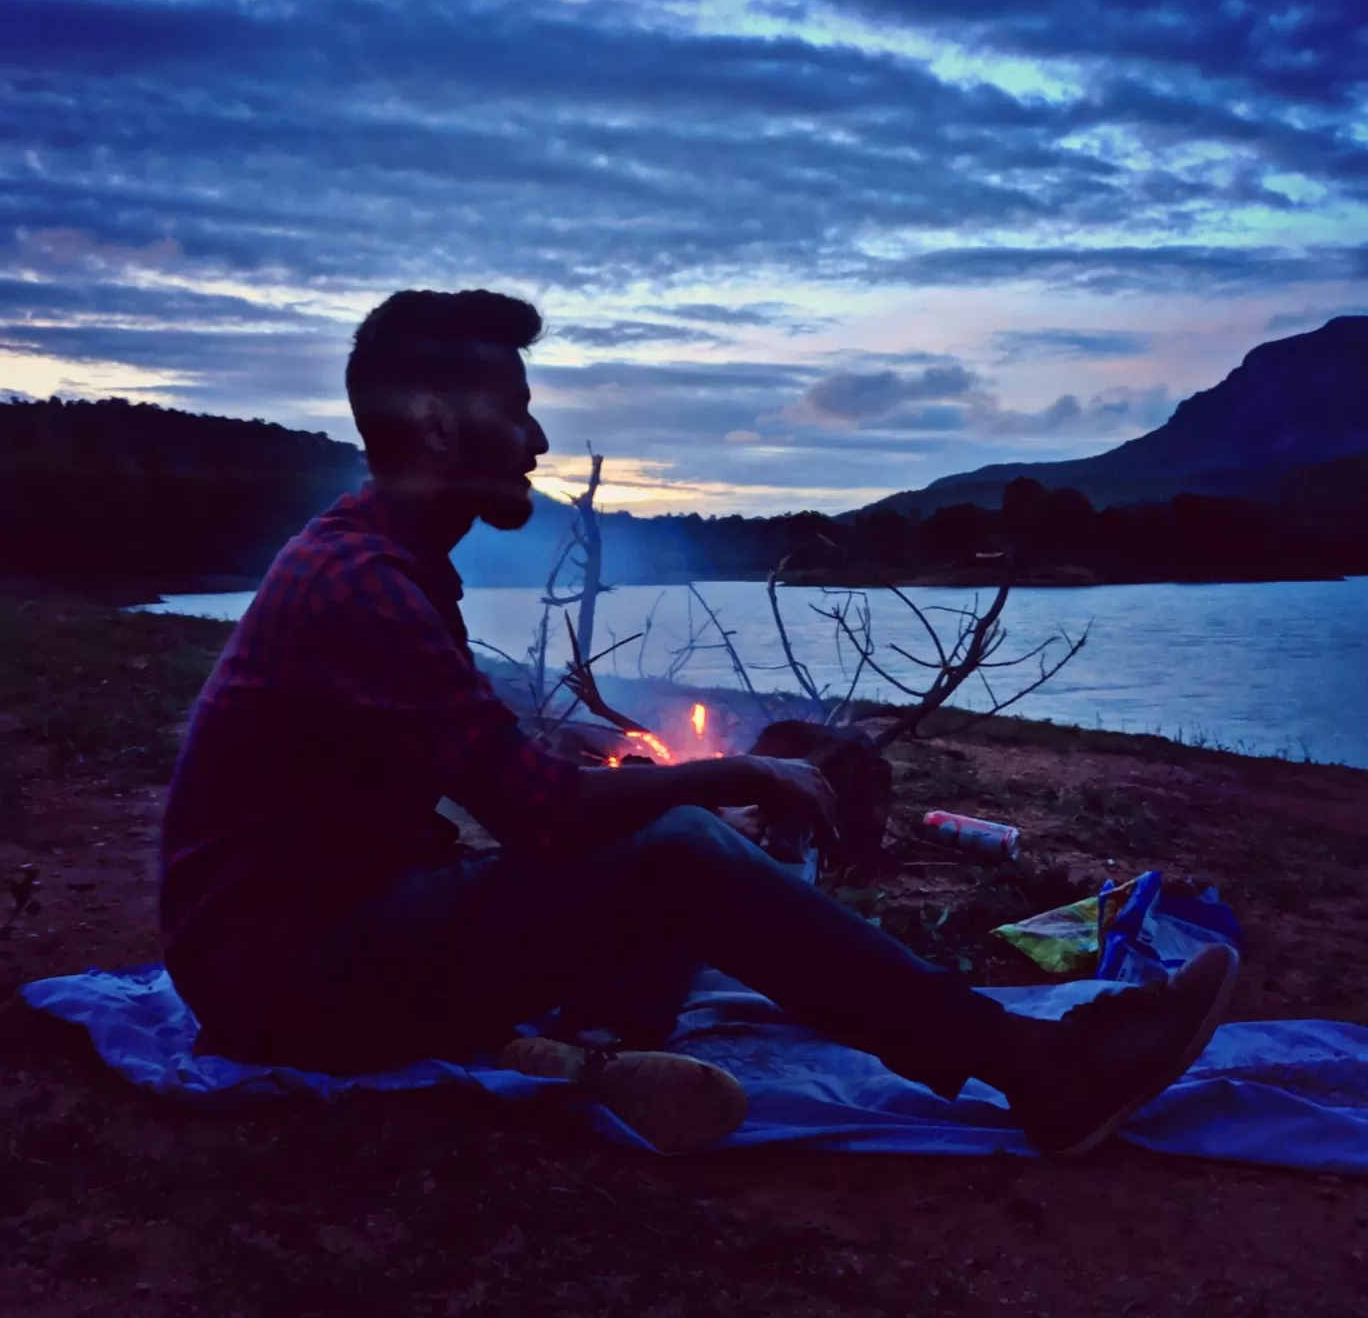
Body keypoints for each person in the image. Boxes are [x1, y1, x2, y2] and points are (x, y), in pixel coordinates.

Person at [159, 288, 1239, 1156]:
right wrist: (729, 774)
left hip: (320, 939)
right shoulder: (364, 582)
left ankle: (583, 1040)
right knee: (676, 841)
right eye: (516, 407)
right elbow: (539, 811)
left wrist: (618, 765)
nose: (535, 436)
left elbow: (457, 747)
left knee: (656, 857)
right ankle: (1042, 1069)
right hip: (282, 975)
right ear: (438, 422)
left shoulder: (382, 558)